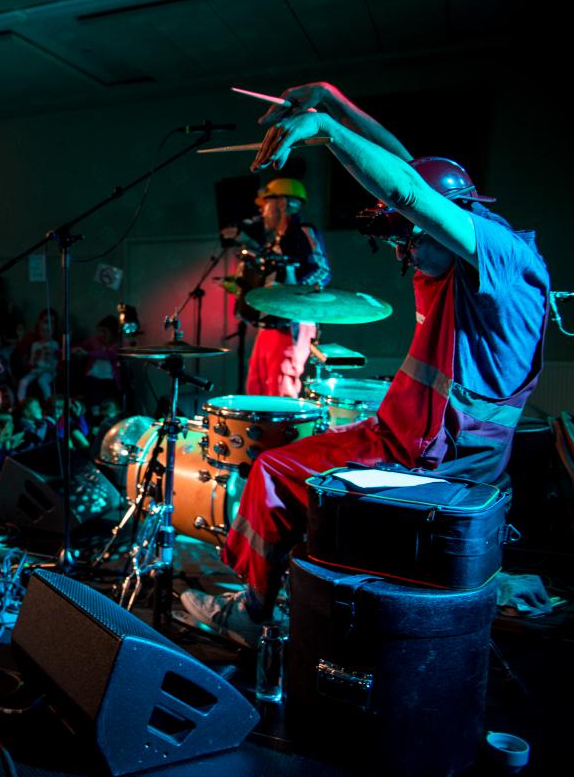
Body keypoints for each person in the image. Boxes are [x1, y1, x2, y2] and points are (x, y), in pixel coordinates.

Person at [180, 82, 549, 647]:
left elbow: (408, 190)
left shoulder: (499, 257)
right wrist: (332, 100)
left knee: (273, 472)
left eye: (410, 239)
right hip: (404, 437)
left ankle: (251, 615)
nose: (405, 253)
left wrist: (327, 130)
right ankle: (283, 592)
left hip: (430, 461)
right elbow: (409, 170)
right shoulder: (467, 255)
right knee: (297, 456)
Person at [222, 177, 330, 397]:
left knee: (280, 390)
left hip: (292, 323)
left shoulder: (303, 232)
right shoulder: (274, 241)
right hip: (270, 324)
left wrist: (290, 293)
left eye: (266, 205)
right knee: (257, 386)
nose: (262, 212)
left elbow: (322, 271)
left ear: (281, 204)